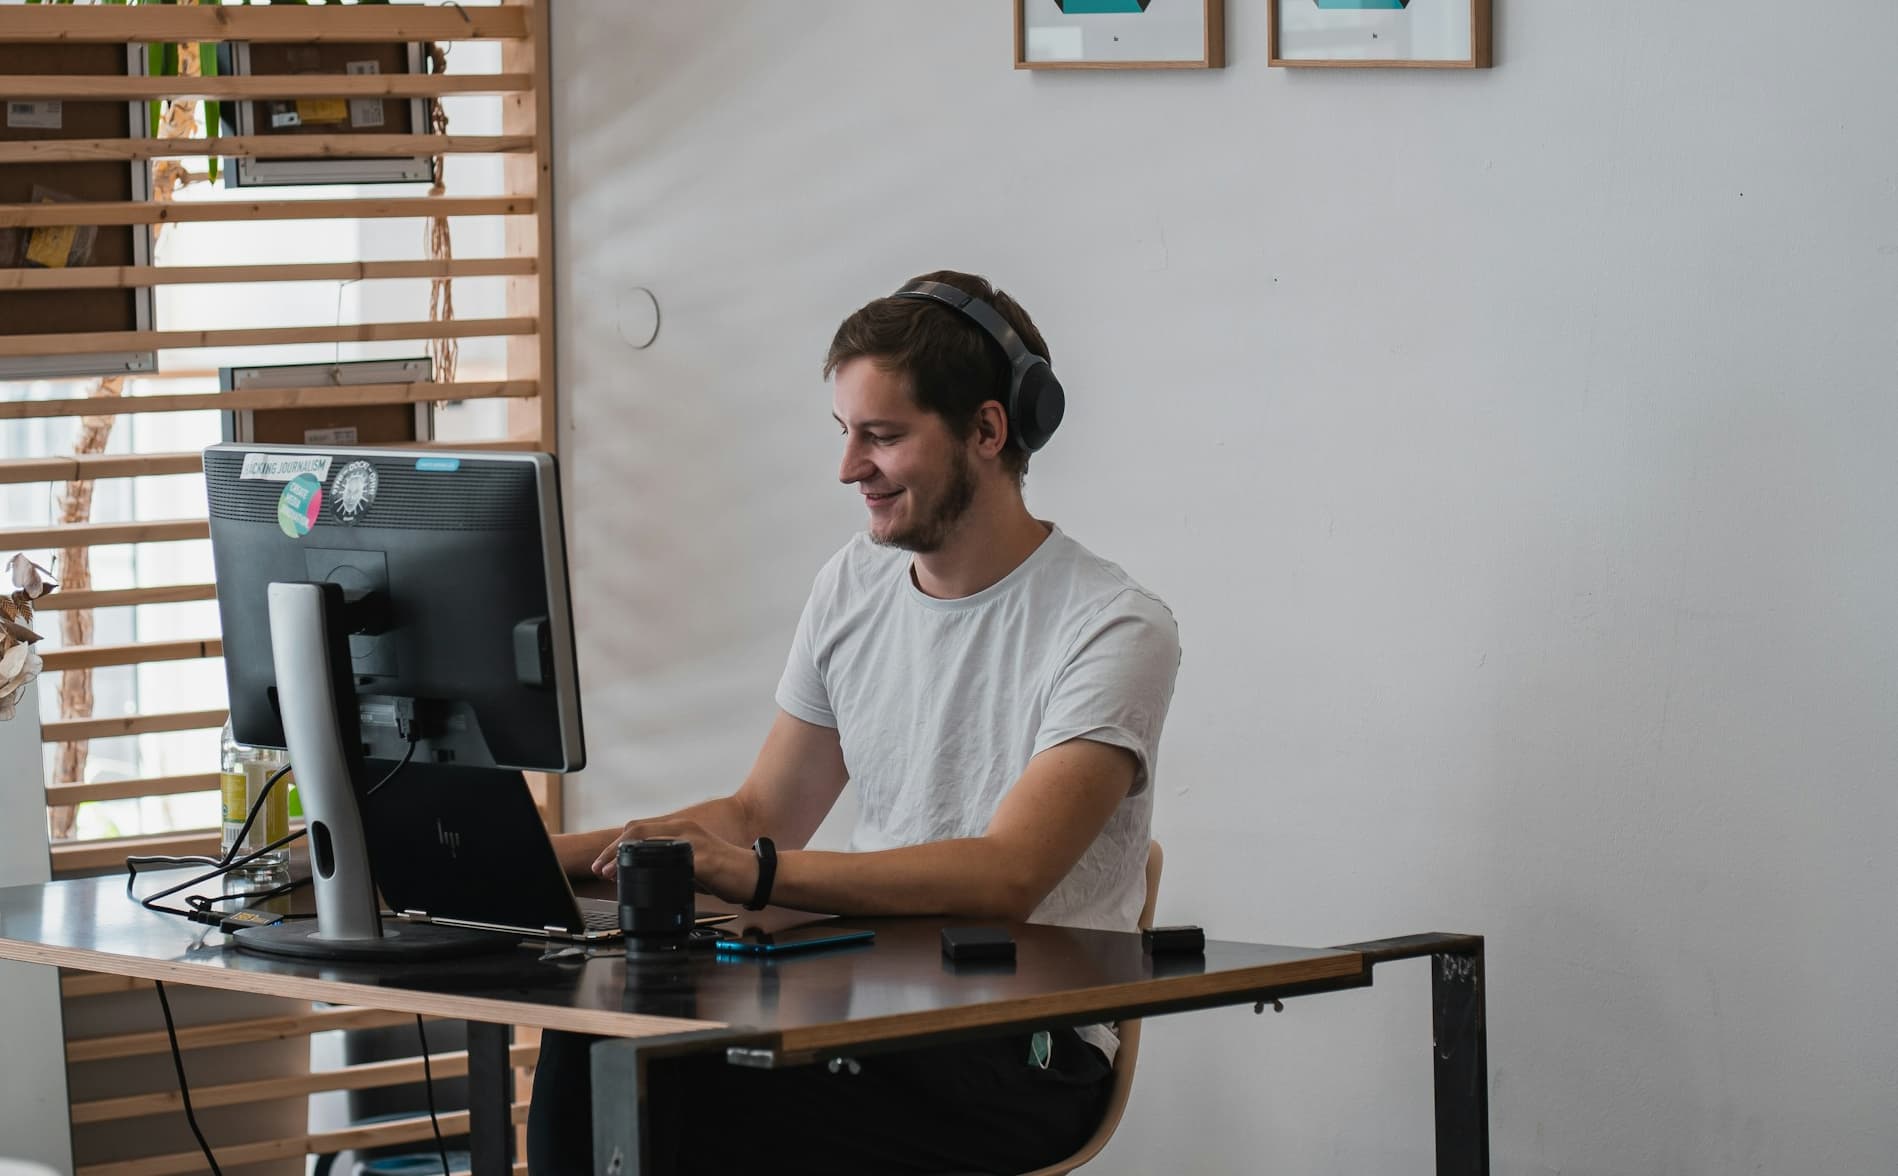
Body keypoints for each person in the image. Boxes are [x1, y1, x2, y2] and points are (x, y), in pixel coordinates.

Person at [529, 270, 1181, 1175]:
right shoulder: (854, 582)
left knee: (672, 1083)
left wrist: (755, 874)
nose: (848, 468)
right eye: (845, 433)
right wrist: (530, 858)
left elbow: (1005, 877)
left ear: (988, 431)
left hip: (1021, 1051)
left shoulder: (1114, 625)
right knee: (593, 1033)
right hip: (873, 1007)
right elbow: (761, 816)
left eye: (882, 436)